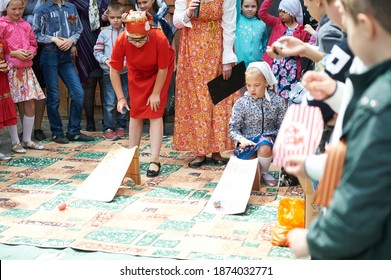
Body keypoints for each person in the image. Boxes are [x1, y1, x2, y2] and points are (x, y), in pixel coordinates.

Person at [287, 0, 391, 259]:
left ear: (365, 27)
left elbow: (361, 195)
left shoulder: (380, 103)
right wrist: (334, 92)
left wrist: (312, 241)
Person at [173, 0, 239, 167]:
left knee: (218, 96)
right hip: (192, 49)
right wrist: (188, 12)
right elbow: (177, 23)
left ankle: (217, 150)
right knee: (196, 100)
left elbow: (230, 24)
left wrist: (227, 58)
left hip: (217, 45)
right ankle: (199, 151)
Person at [110, 10, 175, 177]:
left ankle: (155, 159)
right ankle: (132, 155)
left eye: (141, 39)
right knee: (136, 112)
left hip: (160, 71)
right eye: (134, 39)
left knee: (155, 111)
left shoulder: (159, 38)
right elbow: (114, 70)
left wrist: (156, 93)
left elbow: (163, 68)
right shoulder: (122, 40)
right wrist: (121, 98)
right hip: (137, 71)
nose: (137, 43)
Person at [33, 0, 94, 144]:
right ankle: (57, 132)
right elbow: (35, 34)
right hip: (49, 54)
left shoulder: (71, 7)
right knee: (54, 95)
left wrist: (71, 40)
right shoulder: (42, 10)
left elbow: (78, 29)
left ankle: (74, 131)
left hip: (66, 56)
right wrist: (54, 39)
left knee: (78, 92)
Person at [229, 62, 286, 186]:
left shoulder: (277, 102)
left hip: (269, 142)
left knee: (265, 145)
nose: (252, 89)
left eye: (256, 85)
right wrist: (241, 139)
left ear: (266, 82)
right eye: (248, 85)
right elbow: (233, 129)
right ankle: (255, 173)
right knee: (249, 169)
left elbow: (282, 127)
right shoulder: (241, 103)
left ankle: (264, 172)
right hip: (247, 141)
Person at [0, 0, 45, 151]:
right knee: (10, 105)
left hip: (26, 71)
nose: (18, 12)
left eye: (20, 8)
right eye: (13, 9)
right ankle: (15, 142)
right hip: (9, 71)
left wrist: (30, 52)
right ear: (5, 8)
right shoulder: (2, 25)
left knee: (30, 104)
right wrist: (14, 53)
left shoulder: (26, 25)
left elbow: (33, 44)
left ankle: (27, 139)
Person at [135, 0, 176, 137]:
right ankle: (144, 125)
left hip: (162, 58)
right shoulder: (135, 17)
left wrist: (173, 59)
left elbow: (171, 36)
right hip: (144, 60)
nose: (142, 6)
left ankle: (161, 125)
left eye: (144, 2)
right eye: (139, 3)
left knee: (161, 93)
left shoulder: (163, 15)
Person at [69, 0, 111, 132]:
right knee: (89, 82)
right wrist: (73, 43)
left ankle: (107, 122)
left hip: (106, 42)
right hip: (84, 42)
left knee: (106, 83)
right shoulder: (75, 1)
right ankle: (90, 122)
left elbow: (117, 14)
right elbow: (70, 21)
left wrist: (108, 17)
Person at [258, 0, 310, 100]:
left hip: (291, 70)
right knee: (270, 94)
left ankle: (286, 115)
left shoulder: (301, 30)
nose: (280, 14)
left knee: (288, 96)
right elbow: (262, 14)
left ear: (292, 12)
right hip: (274, 66)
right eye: (279, 11)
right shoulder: (277, 23)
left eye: (284, 11)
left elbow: (307, 47)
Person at [94, 1, 129, 141]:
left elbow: (132, 50)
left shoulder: (128, 32)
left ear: (123, 17)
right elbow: (97, 51)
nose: (116, 20)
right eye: (113, 17)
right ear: (107, 17)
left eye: (119, 17)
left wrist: (127, 62)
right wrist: (105, 60)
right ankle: (108, 128)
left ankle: (121, 126)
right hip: (108, 72)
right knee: (109, 101)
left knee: (124, 98)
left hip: (125, 72)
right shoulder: (104, 34)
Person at [22, 0, 46, 141]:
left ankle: (37, 128)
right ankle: (25, 130)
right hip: (18, 45)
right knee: (22, 90)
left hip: (41, 45)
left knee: (40, 87)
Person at [0, 39, 20, 159]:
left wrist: (8, 66)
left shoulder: (2, 41)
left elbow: (8, 58)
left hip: (2, 81)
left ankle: (16, 142)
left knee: (7, 109)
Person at [235, 0, 268, 68]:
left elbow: (265, 43)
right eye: (246, 6)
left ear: (257, 8)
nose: (250, 9)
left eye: (253, 6)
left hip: (257, 65)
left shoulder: (262, 24)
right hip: (238, 64)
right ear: (241, 7)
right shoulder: (237, 19)